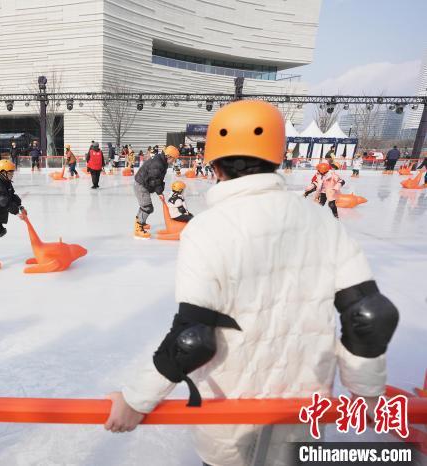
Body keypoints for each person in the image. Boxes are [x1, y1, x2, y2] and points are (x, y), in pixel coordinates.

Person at [105, 100, 399, 466]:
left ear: (213, 163)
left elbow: (194, 337)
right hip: (302, 410)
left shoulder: (205, 230)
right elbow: (370, 314)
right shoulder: (322, 222)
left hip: (228, 414)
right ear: (279, 156)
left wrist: (136, 400)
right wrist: (367, 393)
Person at [133, 145, 179, 238]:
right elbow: (155, 180)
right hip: (141, 185)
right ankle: (138, 227)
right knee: (147, 207)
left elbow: (159, 178)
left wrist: (160, 190)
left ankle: (141, 222)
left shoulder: (162, 161)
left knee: (145, 206)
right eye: (173, 159)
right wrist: (159, 193)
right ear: (168, 156)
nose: (173, 162)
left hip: (143, 184)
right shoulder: (158, 163)